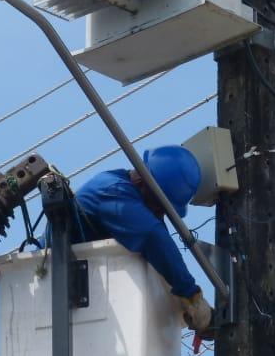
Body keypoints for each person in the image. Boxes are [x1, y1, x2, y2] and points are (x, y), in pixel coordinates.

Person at [71, 145, 213, 340]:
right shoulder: (113, 190)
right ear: (142, 182)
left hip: (81, 296)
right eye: (160, 207)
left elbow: (160, 242)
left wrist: (186, 300)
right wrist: (192, 297)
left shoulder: (131, 193)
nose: (159, 215)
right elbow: (153, 236)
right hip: (51, 282)